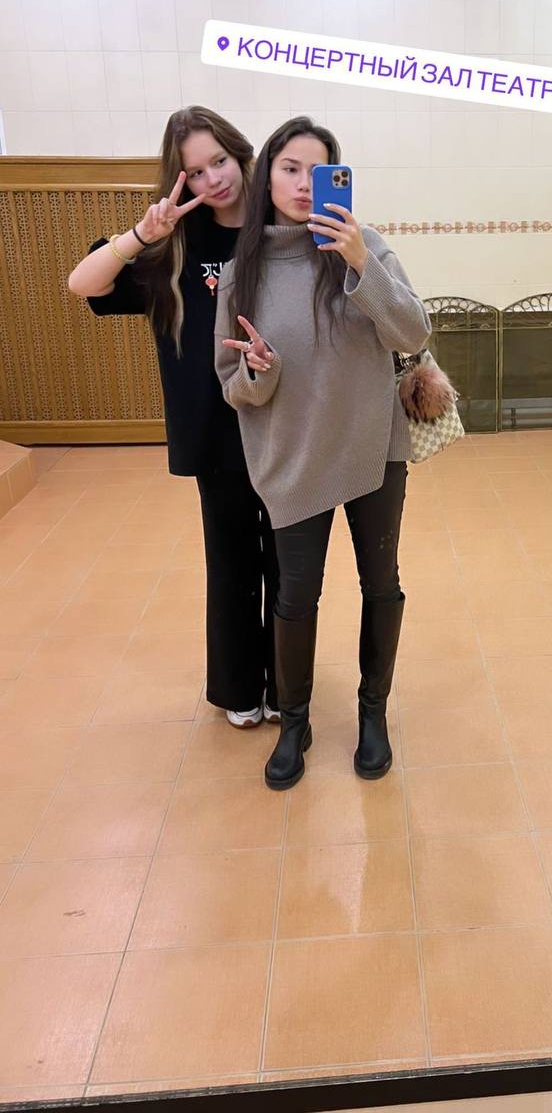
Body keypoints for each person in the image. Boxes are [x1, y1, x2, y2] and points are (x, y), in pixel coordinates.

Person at [214, 115, 431, 790]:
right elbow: (232, 388)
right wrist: (259, 371)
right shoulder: (242, 274)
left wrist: (361, 263)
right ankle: (296, 722)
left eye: (320, 171)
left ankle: (373, 713)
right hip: (294, 458)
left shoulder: (365, 245)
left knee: (381, 584)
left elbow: (413, 331)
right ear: (267, 177)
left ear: (340, 177)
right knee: (295, 596)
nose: (305, 184)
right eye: (290, 169)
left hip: (373, 449)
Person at [67, 106, 279, 729]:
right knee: (232, 564)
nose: (214, 179)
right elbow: (83, 284)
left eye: (221, 161)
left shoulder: (278, 230)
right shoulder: (174, 249)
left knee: (288, 566)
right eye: (197, 171)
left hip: (286, 429)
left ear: (241, 155)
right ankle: (239, 689)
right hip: (215, 432)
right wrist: (141, 235)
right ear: (180, 179)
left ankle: (287, 684)